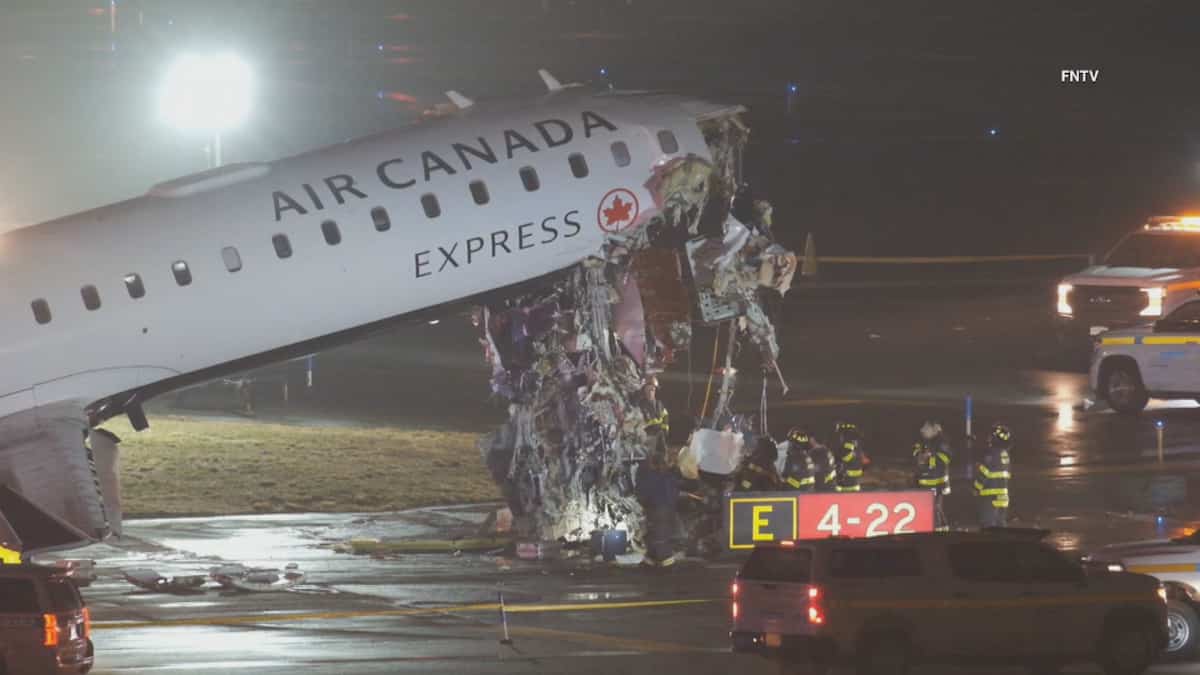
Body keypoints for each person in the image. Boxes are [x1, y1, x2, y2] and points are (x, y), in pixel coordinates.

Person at [635, 451, 681, 567]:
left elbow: (643, 495)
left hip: (655, 509)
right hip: (667, 509)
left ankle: (657, 559)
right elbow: (675, 493)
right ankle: (662, 560)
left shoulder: (650, 478)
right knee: (662, 535)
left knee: (655, 534)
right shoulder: (669, 477)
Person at [975, 423, 1012, 528]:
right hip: (1003, 497)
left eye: (991, 436)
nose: (989, 438)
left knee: (988, 527)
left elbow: (984, 473)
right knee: (1000, 525)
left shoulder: (991, 454)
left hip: (990, 497)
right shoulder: (1005, 454)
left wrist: (975, 488)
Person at [913, 441, 951, 530]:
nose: (920, 458)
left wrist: (946, 487)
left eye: (924, 454)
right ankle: (943, 526)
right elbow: (919, 476)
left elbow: (943, 474)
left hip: (936, 488)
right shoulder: (920, 458)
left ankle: (939, 528)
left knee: (936, 507)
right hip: (925, 489)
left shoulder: (937, 460)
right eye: (919, 456)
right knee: (936, 508)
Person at [639, 376, 670, 463]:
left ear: (655, 391)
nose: (650, 392)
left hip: (659, 434)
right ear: (644, 391)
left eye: (652, 390)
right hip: (648, 436)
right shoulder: (641, 405)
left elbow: (665, 416)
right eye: (648, 390)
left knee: (663, 456)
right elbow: (640, 421)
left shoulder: (659, 404)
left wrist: (665, 429)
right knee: (649, 459)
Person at [832, 421, 865, 492]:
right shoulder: (856, 441)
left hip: (847, 479)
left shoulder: (847, 440)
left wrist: (837, 461)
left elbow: (846, 456)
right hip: (855, 480)